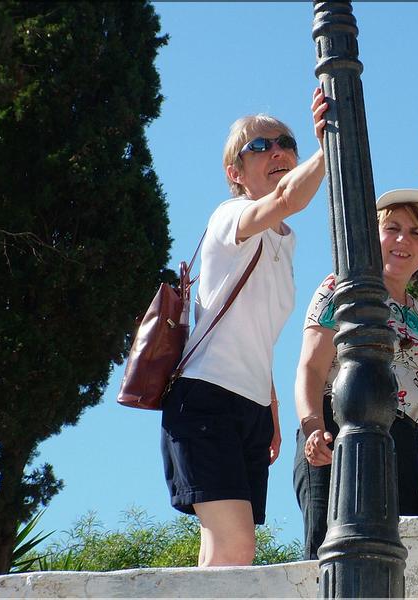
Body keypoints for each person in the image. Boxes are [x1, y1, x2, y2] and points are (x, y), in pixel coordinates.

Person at [160, 89, 328, 566]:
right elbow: (287, 198)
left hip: (250, 409)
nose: (277, 151)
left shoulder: (284, 242)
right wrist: (328, 145)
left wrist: (270, 408)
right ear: (235, 173)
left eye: (285, 142)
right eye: (260, 146)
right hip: (205, 399)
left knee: (222, 552)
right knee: (236, 548)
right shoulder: (231, 217)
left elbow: (254, 332)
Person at [293, 189, 418, 559]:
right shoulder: (341, 286)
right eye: (393, 228)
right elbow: (312, 366)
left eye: (417, 233)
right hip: (336, 433)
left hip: (402, 444)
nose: (403, 240)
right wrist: (312, 428)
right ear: (371, 236)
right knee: (329, 551)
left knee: (391, 556)